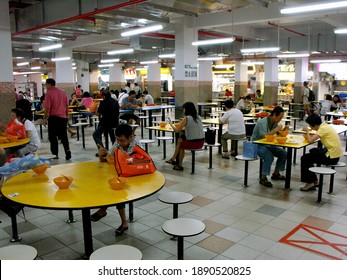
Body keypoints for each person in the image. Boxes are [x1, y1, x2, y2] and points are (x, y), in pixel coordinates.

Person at [91, 124, 143, 236]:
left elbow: (134, 164)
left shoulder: (137, 146)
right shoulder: (118, 143)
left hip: (136, 177)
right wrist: (102, 155)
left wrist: (117, 158)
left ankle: (106, 212)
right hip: (122, 174)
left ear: (131, 137)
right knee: (112, 185)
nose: (119, 142)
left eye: (122, 140)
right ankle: (107, 212)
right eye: (117, 139)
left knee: (117, 190)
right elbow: (107, 159)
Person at [300, 114, 343, 191]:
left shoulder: (322, 129)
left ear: (314, 124)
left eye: (310, 125)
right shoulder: (325, 126)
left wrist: (307, 131)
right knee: (311, 154)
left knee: (305, 158)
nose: (310, 127)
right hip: (334, 155)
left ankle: (310, 182)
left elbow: (310, 140)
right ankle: (313, 180)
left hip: (331, 157)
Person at [251, 106, 287, 187]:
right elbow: (265, 136)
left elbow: (277, 135)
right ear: (274, 115)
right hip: (257, 144)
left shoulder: (274, 123)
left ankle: (276, 173)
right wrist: (276, 130)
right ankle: (263, 177)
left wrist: (284, 130)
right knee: (269, 156)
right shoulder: (262, 122)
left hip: (268, 144)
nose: (280, 119)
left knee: (283, 153)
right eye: (280, 117)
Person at [165, 102, 205, 171]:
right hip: (201, 142)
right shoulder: (199, 117)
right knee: (180, 140)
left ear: (186, 109)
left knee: (181, 145)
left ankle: (179, 165)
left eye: (184, 109)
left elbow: (177, 130)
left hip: (194, 143)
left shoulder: (187, 118)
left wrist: (171, 124)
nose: (183, 110)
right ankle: (173, 159)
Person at [43, 78, 71, 160]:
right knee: (64, 136)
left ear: (49, 84)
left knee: (53, 136)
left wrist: (45, 118)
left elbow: (47, 108)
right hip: (63, 118)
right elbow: (67, 106)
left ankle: (55, 154)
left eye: (46, 84)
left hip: (53, 118)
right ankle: (67, 150)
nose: (45, 86)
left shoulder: (48, 93)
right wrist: (66, 116)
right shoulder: (63, 92)